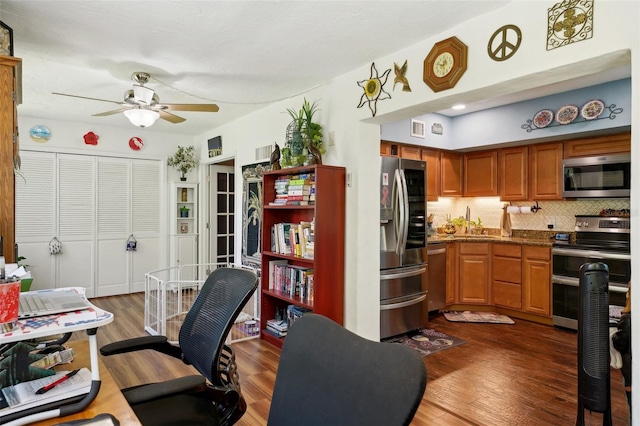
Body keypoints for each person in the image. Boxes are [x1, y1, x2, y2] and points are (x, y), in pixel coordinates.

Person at [612, 281, 631, 422]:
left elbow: (620, 342)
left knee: (633, 402)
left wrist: (613, 335)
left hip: (630, 370)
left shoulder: (628, 319)